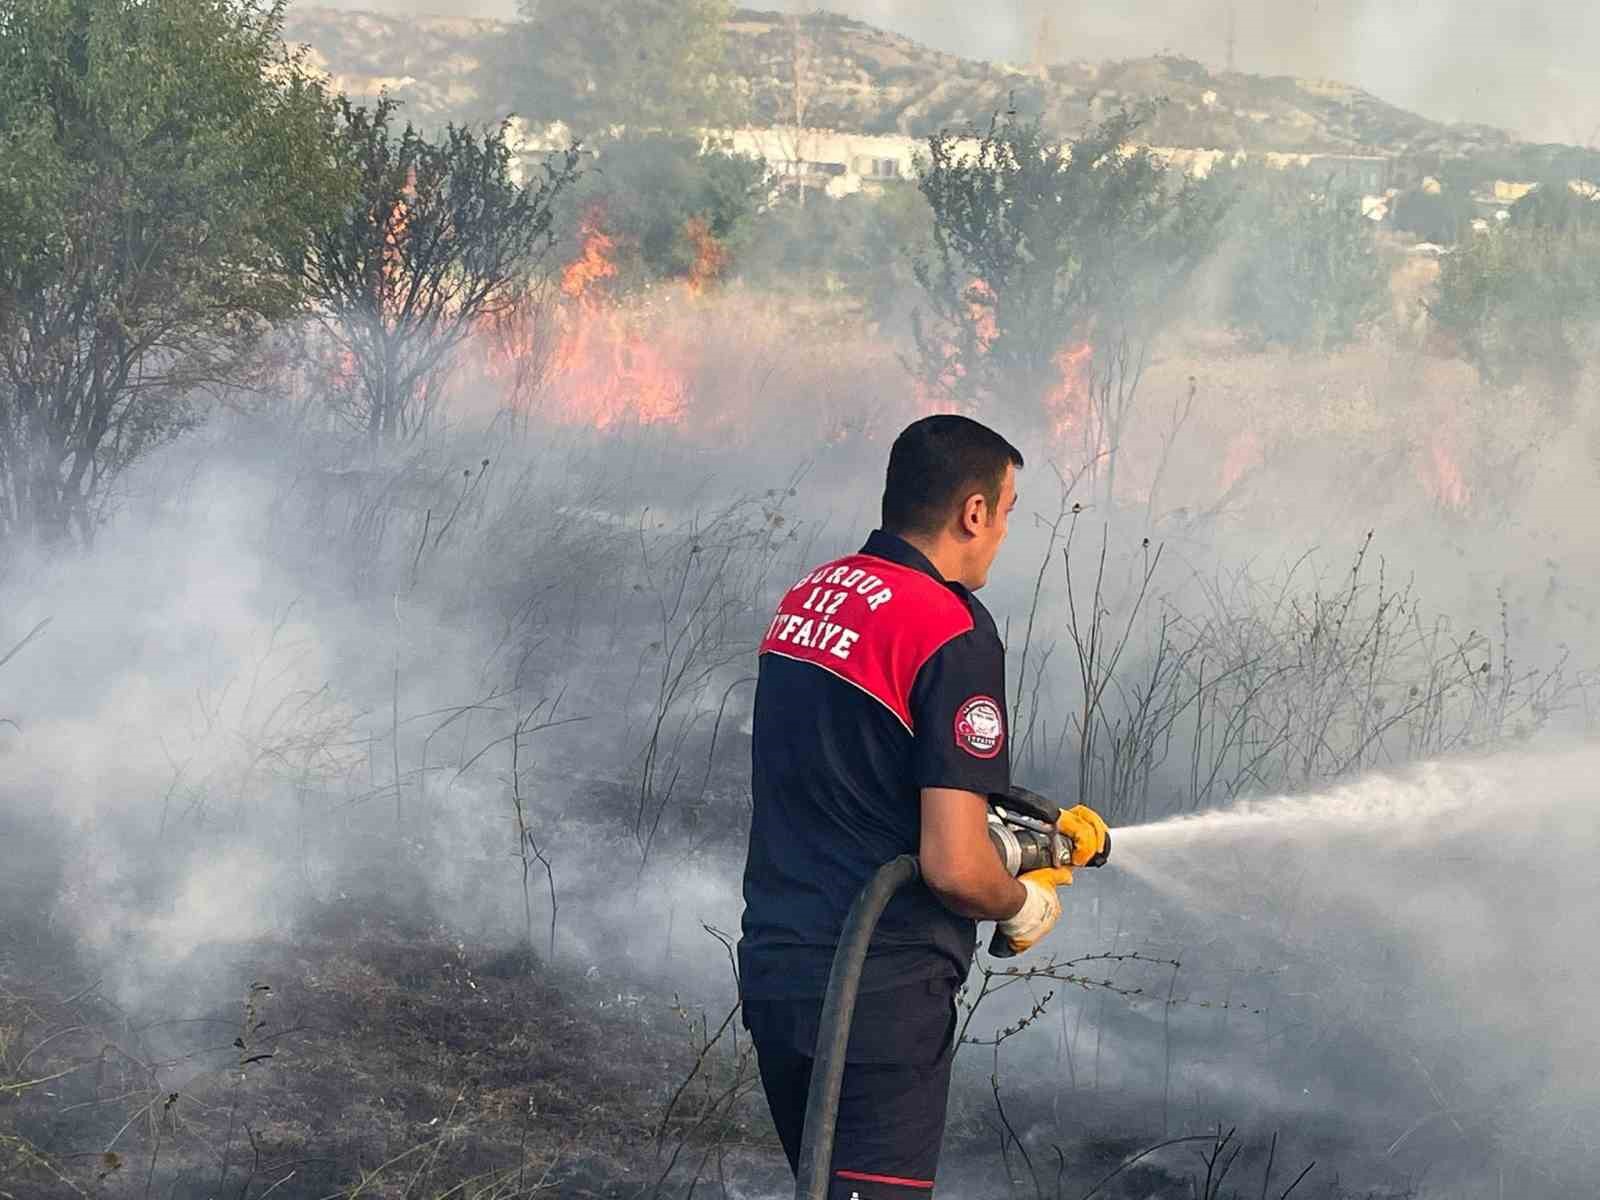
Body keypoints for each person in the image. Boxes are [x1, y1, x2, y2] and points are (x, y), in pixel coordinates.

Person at [738, 414, 1108, 1199]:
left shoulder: (812, 597)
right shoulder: (951, 628)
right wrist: (1019, 899)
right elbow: (950, 866)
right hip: (876, 998)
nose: (1005, 531)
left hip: (778, 974)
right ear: (973, 512)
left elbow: (859, 773)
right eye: (1008, 511)